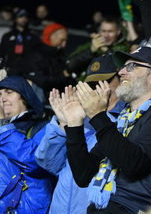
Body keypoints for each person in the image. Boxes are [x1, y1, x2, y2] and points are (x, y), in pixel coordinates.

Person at [62, 47, 151, 213]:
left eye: (131, 66)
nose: (121, 72)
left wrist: (98, 116)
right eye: (122, 67)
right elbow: (85, 175)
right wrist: (74, 125)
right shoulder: (124, 122)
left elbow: (135, 163)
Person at [35, 54, 125, 214]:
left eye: (105, 81)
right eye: (92, 84)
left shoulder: (128, 119)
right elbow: (49, 164)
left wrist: (101, 117)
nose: (97, 88)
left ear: (122, 80)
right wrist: (63, 125)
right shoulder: (79, 117)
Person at [0, 76, 54, 213]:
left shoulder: (43, 129)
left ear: (26, 99)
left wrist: (0, 125)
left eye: (9, 93)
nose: (2, 98)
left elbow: (38, 163)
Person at [9, 23, 75, 103]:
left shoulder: (59, 56)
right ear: (52, 36)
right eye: (62, 40)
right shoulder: (35, 54)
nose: (64, 45)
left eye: (65, 41)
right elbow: (40, 80)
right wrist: (63, 76)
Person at [66, 16, 131, 79]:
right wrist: (91, 51)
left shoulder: (125, 48)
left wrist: (106, 51)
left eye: (110, 31)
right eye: (103, 31)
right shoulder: (90, 45)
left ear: (118, 32)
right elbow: (71, 66)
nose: (106, 35)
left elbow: (121, 68)